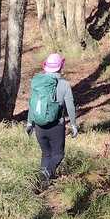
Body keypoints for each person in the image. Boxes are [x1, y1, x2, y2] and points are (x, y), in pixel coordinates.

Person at [25, 53, 79, 183]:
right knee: (58, 154)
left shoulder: (38, 83)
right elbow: (70, 105)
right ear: (60, 67)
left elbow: (32, 103)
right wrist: (73, 125)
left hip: (39, 126)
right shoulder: (64, 84)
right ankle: (47, 173)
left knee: (46, 154)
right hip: (56, 126)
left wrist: (29, 123)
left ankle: (42, 184)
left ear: (46, 66)